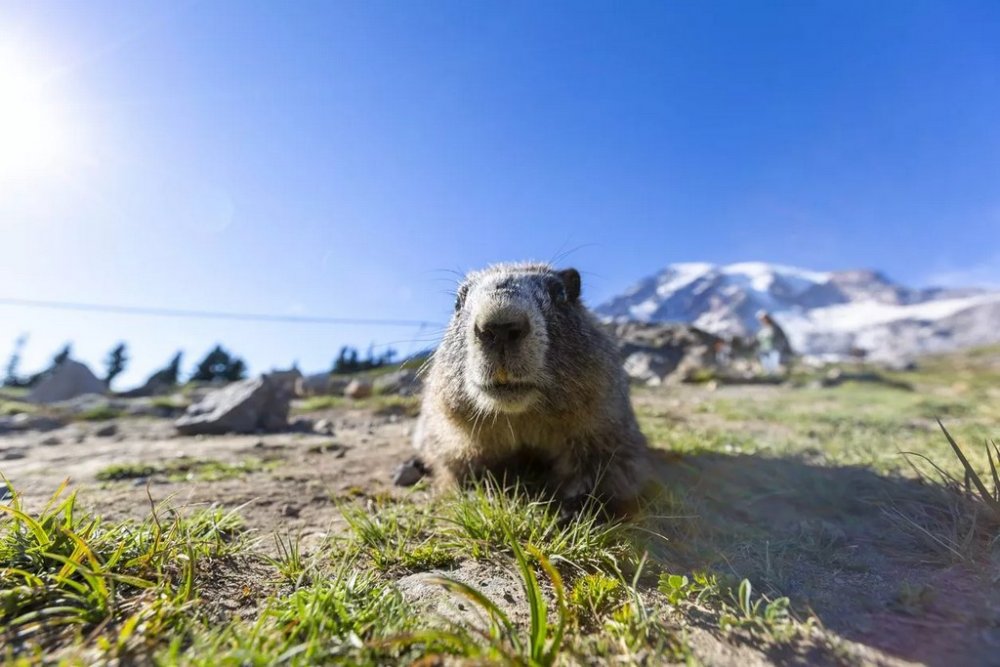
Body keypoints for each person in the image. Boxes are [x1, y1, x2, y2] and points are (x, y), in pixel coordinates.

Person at [755, 310, 793, 375]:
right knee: (766, 365)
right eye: (761, 319)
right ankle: (768, 378)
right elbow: (759, 340)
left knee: (773, 365)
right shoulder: (762, 329)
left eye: (764, 318)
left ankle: (773, 377)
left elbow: (782, 338)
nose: (763, 320)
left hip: (774, 349)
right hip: (763, 349)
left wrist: (781, 349)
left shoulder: (775, 328)